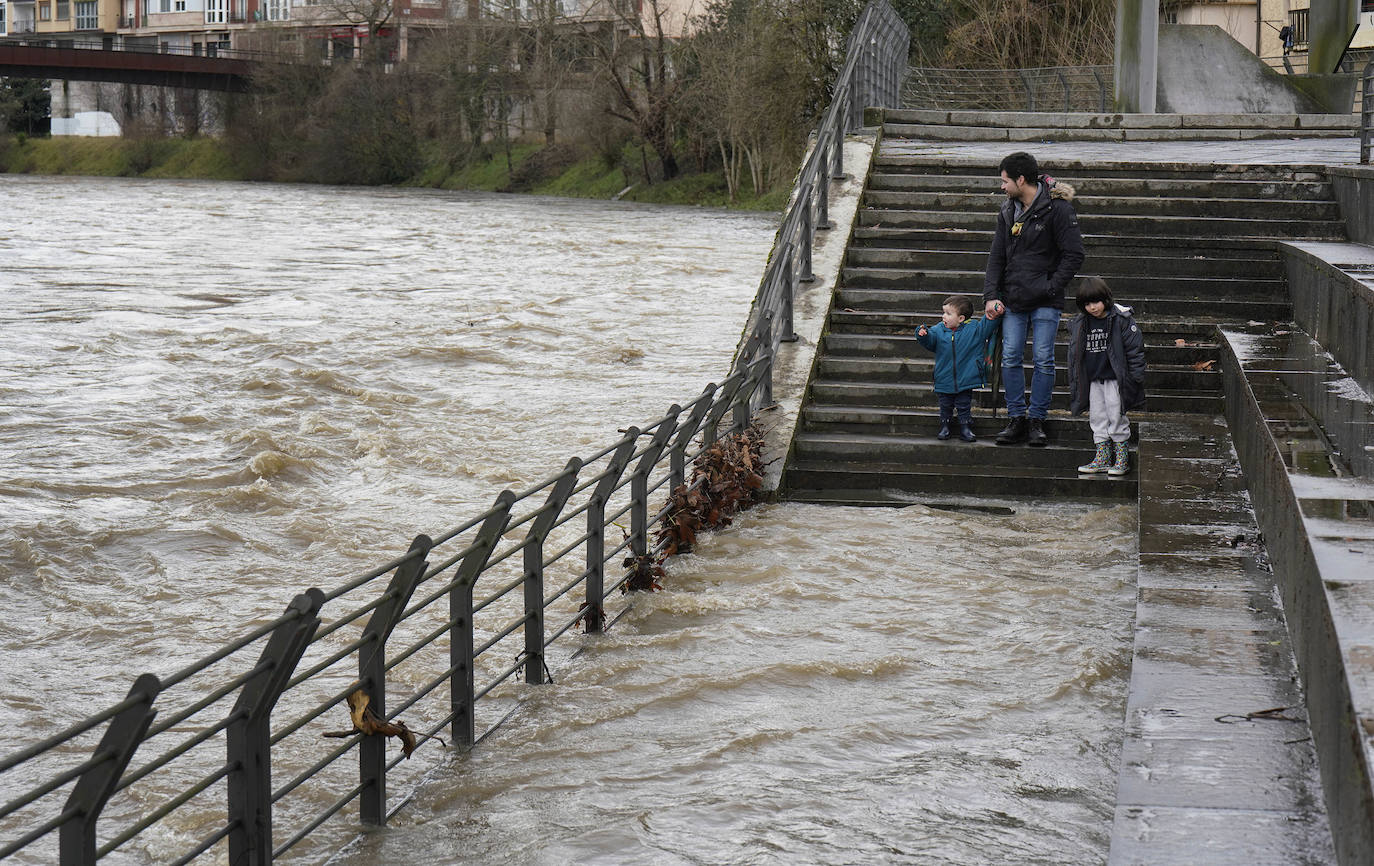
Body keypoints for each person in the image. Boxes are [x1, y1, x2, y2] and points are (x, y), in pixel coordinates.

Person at [983, 151, 1085, 447]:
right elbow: (996, 257)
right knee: (1012, 356)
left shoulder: (1059, 210)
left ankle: (1037, 419)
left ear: (1021, 179)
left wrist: (1051, 286)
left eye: (1004, 181)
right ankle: (1016, 417)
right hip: (1013, 299)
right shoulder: (1007, 211)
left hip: (1044, 300)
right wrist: (991, 295)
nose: (1002, 187)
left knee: (1043, 359)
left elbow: (1074, 254)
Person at [1067, 277, 1146, 476]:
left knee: (1116, 414)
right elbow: (1075, 353)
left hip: (1115, 379)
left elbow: (1134, 350)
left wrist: (1135, 377)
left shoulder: (1121, 319)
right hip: (1093, 378)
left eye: (1096, 302)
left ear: (1106, 299)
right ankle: (1102, 456)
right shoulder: (1081, 323)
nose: (1092, 307)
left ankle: (1121, 457)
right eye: (1087, 303)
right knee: (1098, 416)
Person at [916, 295, 1001, 442]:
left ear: (961, 318)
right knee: (945, 404)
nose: (944, 316)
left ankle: (965, 426)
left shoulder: (974, 329)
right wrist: (923, 334)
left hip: (965, 377)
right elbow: (930, 342)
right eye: (943, 312)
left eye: (948, 314)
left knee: (964, 404)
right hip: (944, 376)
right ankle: (945, 425)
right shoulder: (938, 330)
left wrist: (994, 314)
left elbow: (987, 325)